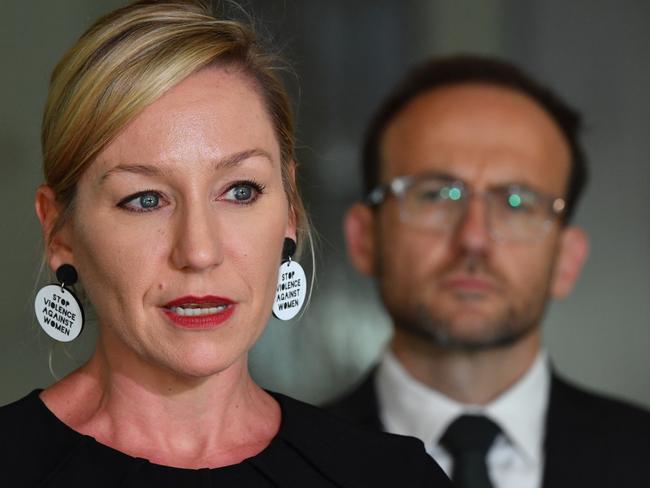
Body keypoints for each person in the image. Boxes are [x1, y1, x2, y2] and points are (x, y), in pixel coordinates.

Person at [0, 2, 451, 486]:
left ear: (290, 212)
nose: (198, 251)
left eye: (240, 191)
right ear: (59, 231)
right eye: (145, 199)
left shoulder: (391, 476)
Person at [329, 55, 650, 488]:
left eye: (517, 202)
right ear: (363, 238)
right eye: (435, 195)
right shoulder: (281, 467)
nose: (474, 239)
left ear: (568, 259)